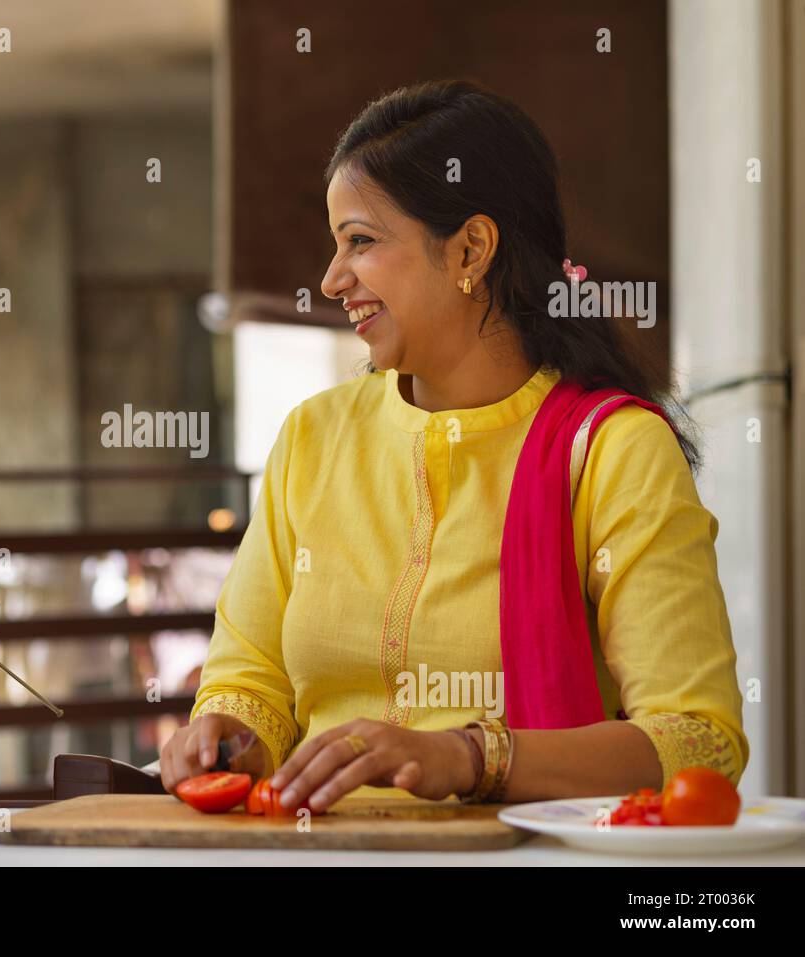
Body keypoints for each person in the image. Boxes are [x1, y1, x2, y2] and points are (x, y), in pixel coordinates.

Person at [160, 80, 746, 814]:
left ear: (471, 247)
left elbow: (699, 742)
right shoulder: (312, 437)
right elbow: (250, 679)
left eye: (361, 242)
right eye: (335, 245)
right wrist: (230, 734)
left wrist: (468, 755)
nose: (331, 279)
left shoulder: (611, 451)